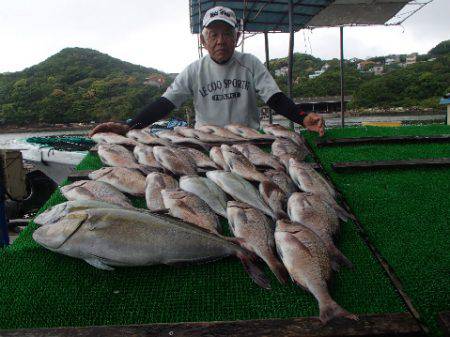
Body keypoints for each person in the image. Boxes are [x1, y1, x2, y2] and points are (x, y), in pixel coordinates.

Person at [90, 6, 324, 137]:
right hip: (206, 141)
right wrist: (129, 126)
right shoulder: (194, 71)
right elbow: (165, 103)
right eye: (213, 34)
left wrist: (303, 118)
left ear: (237, 37)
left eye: (227, 33)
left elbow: (275, 98)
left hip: (249, 140)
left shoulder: (250, 63)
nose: (220, 41)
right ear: (204, 40)